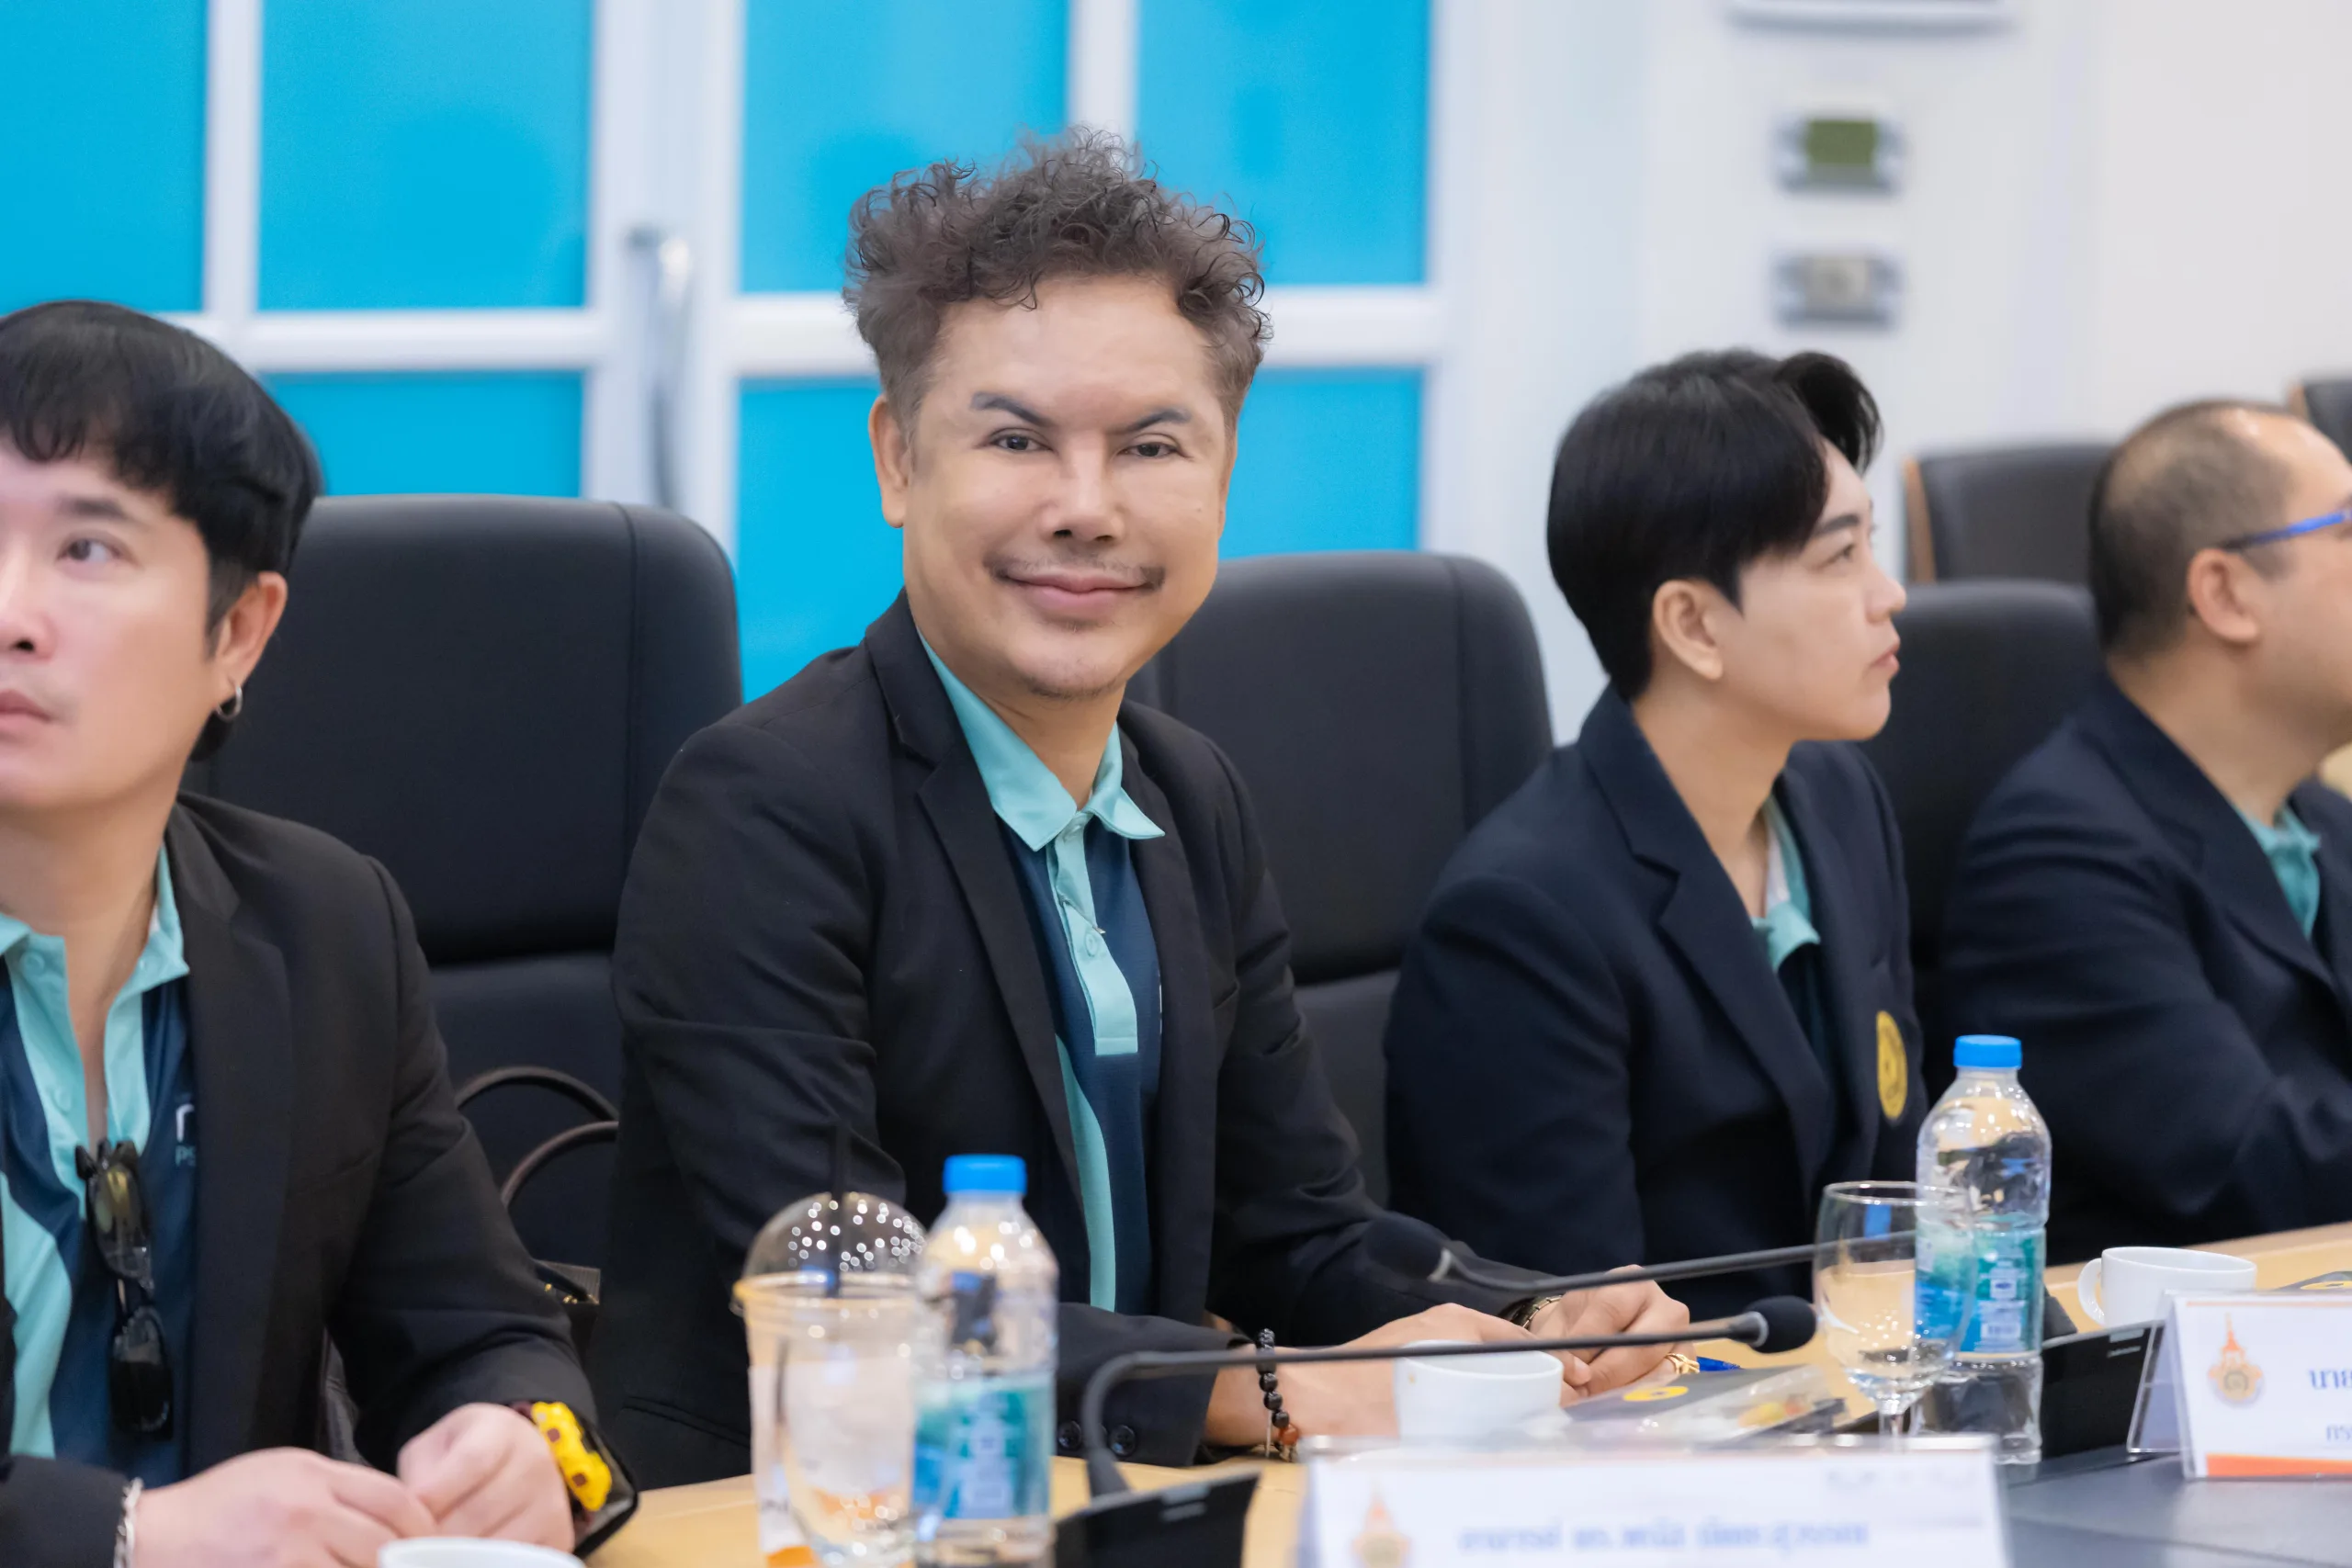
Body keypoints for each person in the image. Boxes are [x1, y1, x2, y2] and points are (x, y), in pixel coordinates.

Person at [593, 134, 1689, 1484]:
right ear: (897, 459)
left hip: (1117, 1500)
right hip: (810, 1512)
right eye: (1015, 439)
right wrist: (1255, 1390)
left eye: (1152, 446)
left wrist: (1536, 1316)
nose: (1086, 507)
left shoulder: (1185, 794)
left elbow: (1296, 1235)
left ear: (1220, 479)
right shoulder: (763, 807)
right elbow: (852, 1299)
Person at [0, 301, 630, 1566]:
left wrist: (519, 1440)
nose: (11, 609)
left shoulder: (328, 929)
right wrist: (131, 1536)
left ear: (238, 631)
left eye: (88, 547)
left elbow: (480, 1327)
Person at [1383, 351, 1923, 1317]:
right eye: (1839, 558)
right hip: (1668, 1398)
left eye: (1869, 546)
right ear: (1693, 626)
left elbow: (1896, 1182)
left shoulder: (1841, 798)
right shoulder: (1521, 920)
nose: (1889, 595)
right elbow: (1578, 1339)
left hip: (1855, 1379)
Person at [1943, 400, 2352, 1261]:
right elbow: (2258, 1165)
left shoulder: (2323, 818)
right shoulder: (2057, 854)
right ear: (2226, 593)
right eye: (2347, 529)